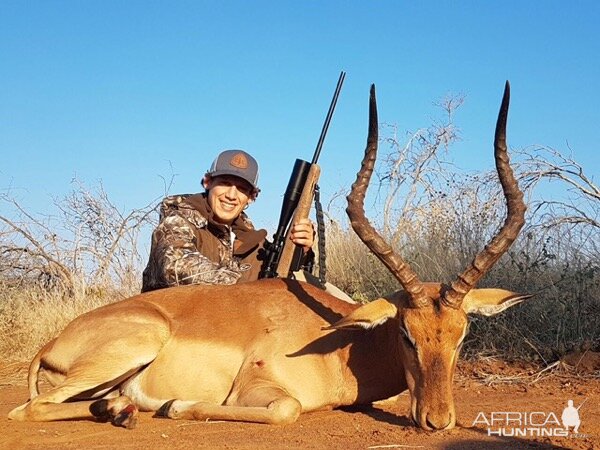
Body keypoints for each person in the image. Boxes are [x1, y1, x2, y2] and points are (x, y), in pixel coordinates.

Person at [141, 149, 315, 292]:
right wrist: (255, 290)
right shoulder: (176, 222)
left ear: (251, 197)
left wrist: (302, 251)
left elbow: (287, 283)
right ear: (207, 182)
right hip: (174, 324)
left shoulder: (255, 243)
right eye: (224, 183)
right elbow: (177, 267)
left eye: (241, 188)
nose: (231, 195)